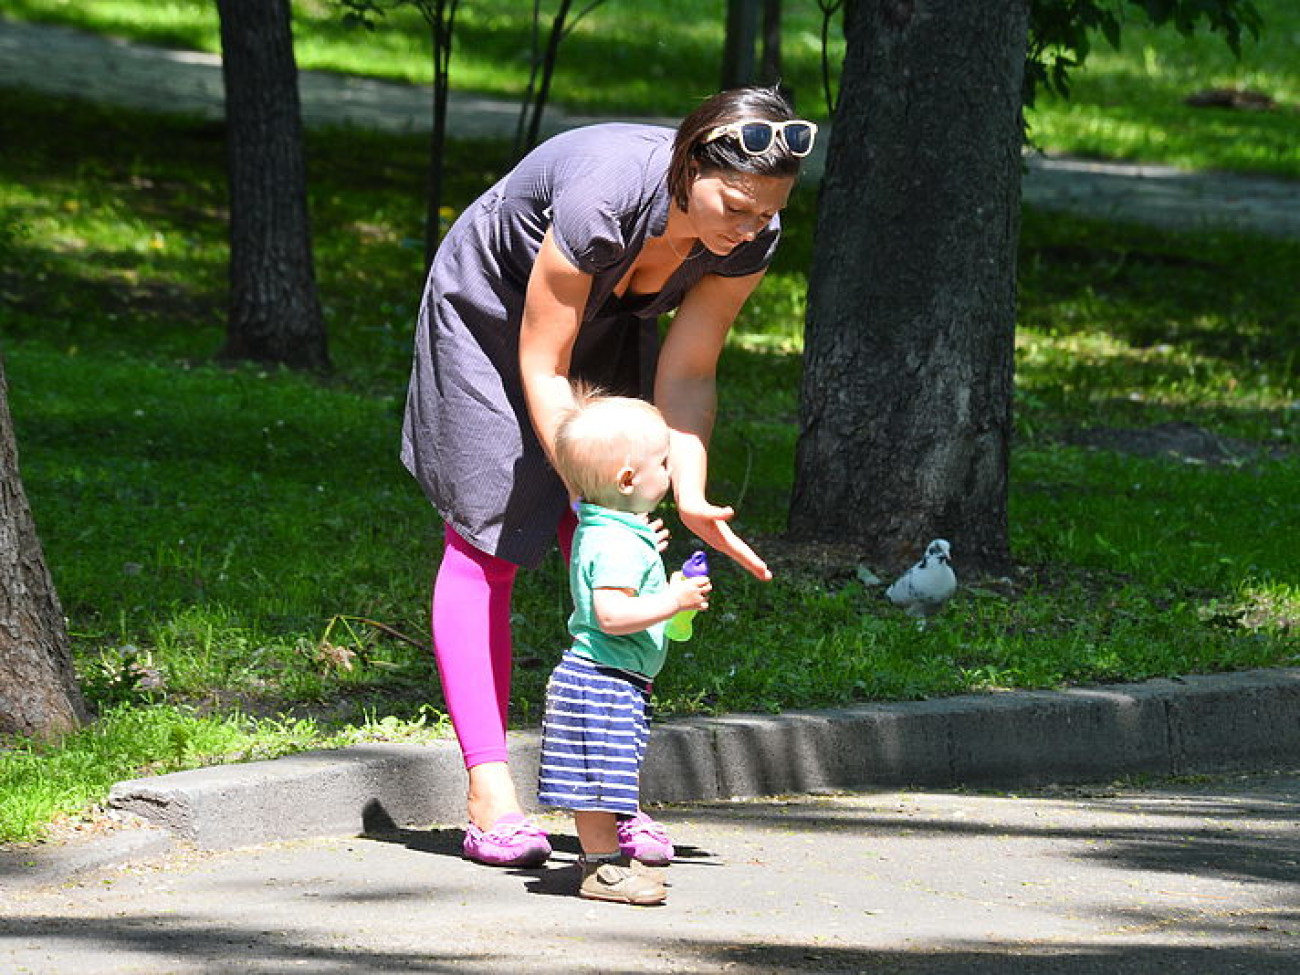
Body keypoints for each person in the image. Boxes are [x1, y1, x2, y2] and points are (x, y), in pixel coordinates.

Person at [400, 85, 815, 867]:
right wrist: (590, 477)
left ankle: (602, 794)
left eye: (765, 214)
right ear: (689, 166)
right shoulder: (606, 195)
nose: (748, 228)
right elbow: (541, 360)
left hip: (602, 323)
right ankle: (489, 794)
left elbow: (689, 372)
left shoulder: (752, 236)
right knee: (489, 539)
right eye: (734, 204)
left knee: (612, 532)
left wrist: (688, 489)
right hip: (492, 317)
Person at [538, 389, 711, 904]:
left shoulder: (614, 530)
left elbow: (616, 565)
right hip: (601, 681)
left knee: (608, 774)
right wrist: (673, 598)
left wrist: (646, 555)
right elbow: (612, 616)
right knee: (597, 780)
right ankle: (601, 869)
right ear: (628, 480)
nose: (669, 470)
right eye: (662, 462)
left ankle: (606, 861)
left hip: (614, 681)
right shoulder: (614, 543)